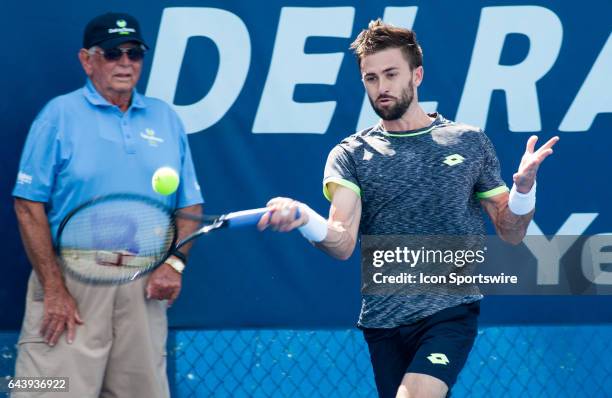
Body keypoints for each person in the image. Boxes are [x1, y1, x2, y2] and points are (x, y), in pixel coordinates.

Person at [258, 19, 558, 398]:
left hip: (450, 311)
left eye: (390, 74)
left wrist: (524, 191)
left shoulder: (467, 142)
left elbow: (510, 232)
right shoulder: (350, 155)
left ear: (417, 75)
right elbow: (341, 242)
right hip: (383, 322)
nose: (381, 87)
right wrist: (304, 218)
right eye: (371, 78)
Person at [12, 12, 203, 397]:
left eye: (134, 54)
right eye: (113, 53)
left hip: (143, 283)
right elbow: (27, 205)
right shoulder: (58, 115)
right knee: (45, 390)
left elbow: (191, 207)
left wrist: (174, 264)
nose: (125, 63)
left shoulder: (165, 118)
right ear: (88, 60)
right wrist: (53, 288)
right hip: (72, 281)